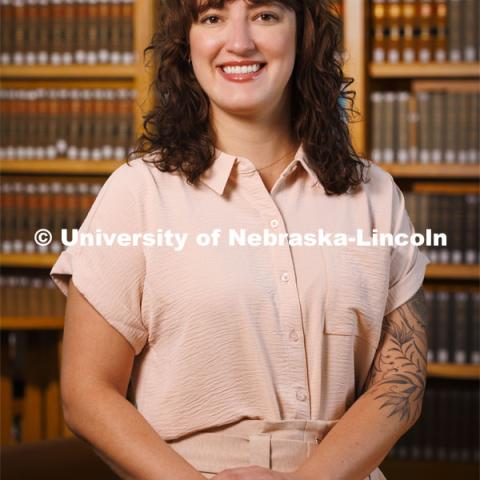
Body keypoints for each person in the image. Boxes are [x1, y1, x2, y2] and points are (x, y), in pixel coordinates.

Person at [50, 1, 431, 479]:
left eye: (265, 15)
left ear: (304, 36)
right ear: (187, 45)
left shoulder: (375, 194)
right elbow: (86, 394)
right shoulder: (137, 194)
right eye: (212, 17)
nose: (240, 41)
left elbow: (401, 380)